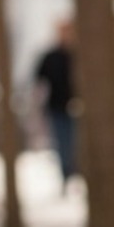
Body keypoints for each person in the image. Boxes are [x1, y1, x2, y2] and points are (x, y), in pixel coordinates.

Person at [33, 19, 78, 192]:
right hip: (57, 107)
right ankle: (66, 176)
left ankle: (75, 174)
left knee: (76, 143)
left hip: (79, 108)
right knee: (62, 143)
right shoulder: (50, 56)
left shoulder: (79, 54)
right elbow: (39, 81)